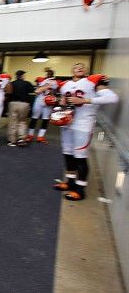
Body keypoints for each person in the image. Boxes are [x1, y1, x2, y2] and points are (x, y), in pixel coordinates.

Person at [54, 63, 118, 201]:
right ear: (71, 69)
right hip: (67, 123)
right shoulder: (64, 84)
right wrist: (62, 101)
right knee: (68, 154)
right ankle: (70, 182)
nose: (79, 67)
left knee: (80, 157)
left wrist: (85, 100)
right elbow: (62, 101)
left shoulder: (92, 81)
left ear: (87, 70)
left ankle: (80, 189)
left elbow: (112, 98)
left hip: (83, 123)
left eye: (83, 66)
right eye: (76, 65)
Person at [26, 69, 58, 144]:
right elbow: (37, 91)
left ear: (52, 74)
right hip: (40, 99)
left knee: (45, 119)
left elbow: (53, 92)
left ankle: (40, 136)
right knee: (34, 118)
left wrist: (44, 86)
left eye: (50, 73)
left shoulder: (53, 82)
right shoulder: (44, 80)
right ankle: (30, 135)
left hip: (47, 100)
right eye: (47, 73)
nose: (48, 74)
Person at [6, 70, 34, 147]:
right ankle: (21, 139)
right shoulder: (27, 83)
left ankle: (12, 141)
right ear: (22, 76)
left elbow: (7, 93)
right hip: (24, 104)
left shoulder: (11, 83)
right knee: (22, 121)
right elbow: (32, 92)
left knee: (12, 121)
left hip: (13, 103)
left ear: (16, 76)